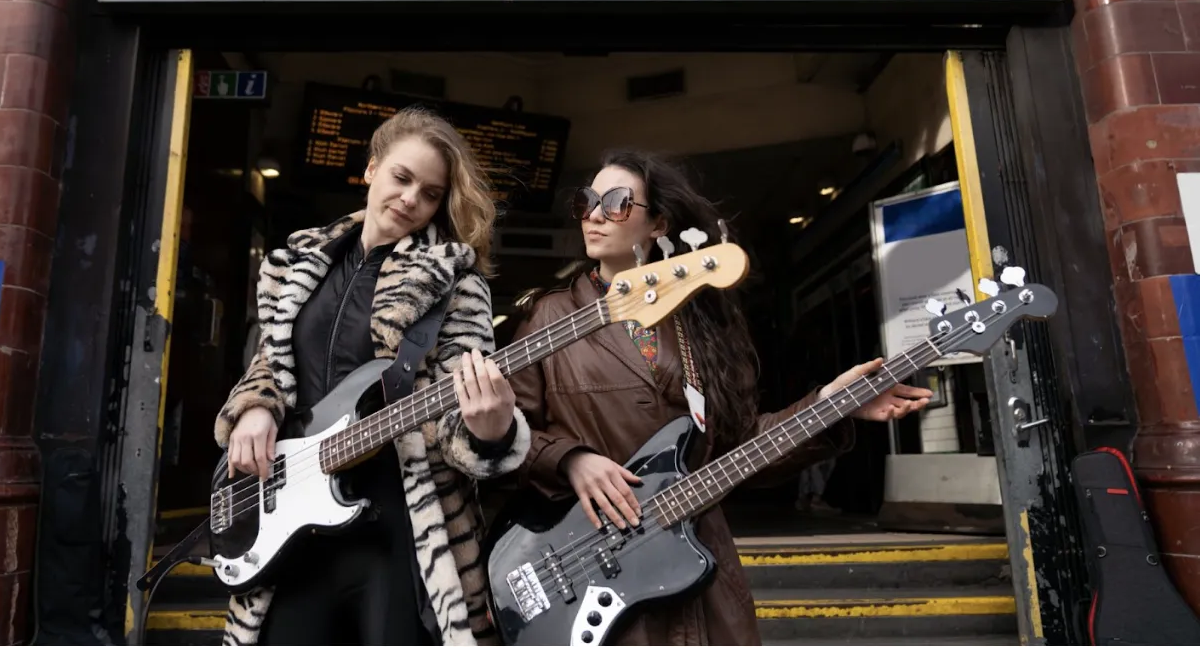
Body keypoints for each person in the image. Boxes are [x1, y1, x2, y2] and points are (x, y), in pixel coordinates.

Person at [506, 149, 931, 645]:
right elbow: (502, 438)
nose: (595, 214)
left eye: (618, 202)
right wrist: (571, 460)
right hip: (590, 566)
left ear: (658, 224)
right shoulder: (548, 317)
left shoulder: (698, 320)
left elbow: (738, 448)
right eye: (586, 201)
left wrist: (831, 405)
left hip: (697, 565)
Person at [215, 106, 531, 646]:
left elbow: (458, 420)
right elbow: (271, 360)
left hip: (399, 529)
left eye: (430, 193)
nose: (411, 199)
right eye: (402, 178)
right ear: (371, 169)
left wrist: (492, 429)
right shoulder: (296, 262)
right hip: (294, 521)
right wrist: (255, 407)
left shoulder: (455, 282)